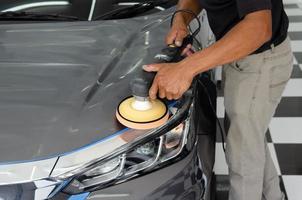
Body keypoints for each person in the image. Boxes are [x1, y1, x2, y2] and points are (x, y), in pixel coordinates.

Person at [143, 0, 293, 199]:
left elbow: (258, 27)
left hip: (260, 60)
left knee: (243, 157)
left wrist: (186, 68)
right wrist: (181, 19)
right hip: (241, 56)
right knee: (248, 139)